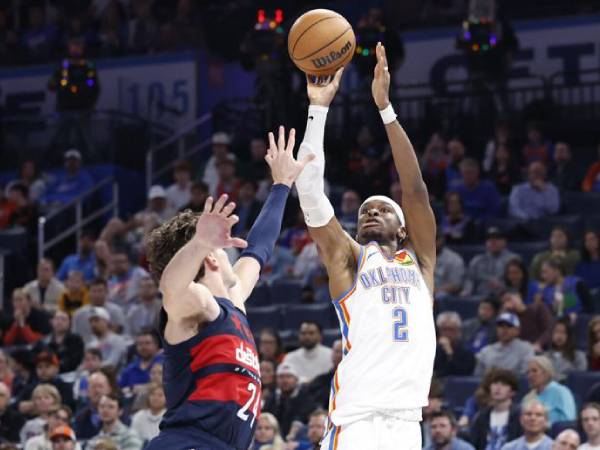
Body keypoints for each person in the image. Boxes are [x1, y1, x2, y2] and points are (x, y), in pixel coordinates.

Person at [294, 43, 436, 450]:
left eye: (382, 210)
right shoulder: (351, 258)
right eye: (365, 211)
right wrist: (318, 109)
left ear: (404, 230)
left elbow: (415, 189)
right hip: (356, 421)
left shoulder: (420, 262)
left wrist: (385, 108)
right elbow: (310, 192)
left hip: (407, 423)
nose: (370, 213)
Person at [143, 126, 312, 449]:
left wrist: (281, 185)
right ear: (209, 258)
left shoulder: (234, 301)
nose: (227, 248)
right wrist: (198, 244)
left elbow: (259, 249)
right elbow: (172, 289)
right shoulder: (198, 305)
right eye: (218, 245)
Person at [470, 369, 522, 450]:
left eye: (503, 384)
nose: (498, 388)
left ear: (512, 392)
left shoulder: (520, 416)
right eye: (495, 383)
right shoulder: (482, 416)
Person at [262, 363, 317, 438]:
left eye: (289, 376)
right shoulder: (272, 397)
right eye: (281, 377)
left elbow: (303, 419)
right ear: (276, 379)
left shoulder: (306, 397)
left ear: (296, 379)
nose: (285, 380)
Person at [462, 228, 519, 297]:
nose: (492, 242)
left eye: (497, 239)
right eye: (489, 239)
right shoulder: (477, 260)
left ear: (505, 241)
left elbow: (519, 284)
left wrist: (502, 286)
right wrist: (467, 291)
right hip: (480, 298)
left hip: (506, 298)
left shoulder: (514, 260)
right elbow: (469, 279)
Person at [522, 356, 577, 425]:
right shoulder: (528, 397)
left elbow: (569, 420)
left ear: (547, 373)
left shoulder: (561, 392)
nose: (530, 375)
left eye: (534, 371)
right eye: (528, 372)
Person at [72, 278, 126, 344]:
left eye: (100, 291)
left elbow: (122, 336)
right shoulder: (79, 314)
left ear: (107, 292)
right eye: (94, 291)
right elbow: (75, 338)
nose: (97, 295)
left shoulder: (116, 311)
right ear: (89, 293)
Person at [118, 330, 163, 395]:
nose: (143, 347)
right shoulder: (131, 367)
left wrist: (140, 388)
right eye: (140, 344)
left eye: (147, 343)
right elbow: (120, 388)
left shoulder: (165, 362)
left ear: (156, 345)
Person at [434, 312, 476, 377]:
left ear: (458, 330)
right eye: (444, 329)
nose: (447, 333)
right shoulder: (431, 351)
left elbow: (462, 373)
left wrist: (450, 354)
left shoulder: (467, 352)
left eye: (451, 329)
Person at [74, 370, 113, 439]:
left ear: (109, 389)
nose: (97, 390)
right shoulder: (80, 417)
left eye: (100, 386)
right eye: (93, 387)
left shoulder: (118, 413)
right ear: (87, 391)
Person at [308, 339, 343, 410]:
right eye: (336, 351)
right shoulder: (321, 380)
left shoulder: (358, 378)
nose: (339, 355)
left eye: (342, 352)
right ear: (332, 353)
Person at [434, 231, 466, 298]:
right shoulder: (418, 257)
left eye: (436, 238)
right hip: (424, 292)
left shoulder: (454, 259)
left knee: (440, 296)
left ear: (442, 239)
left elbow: (456, 285)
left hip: (444, 295)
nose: (432, 242)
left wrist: (435, 290)